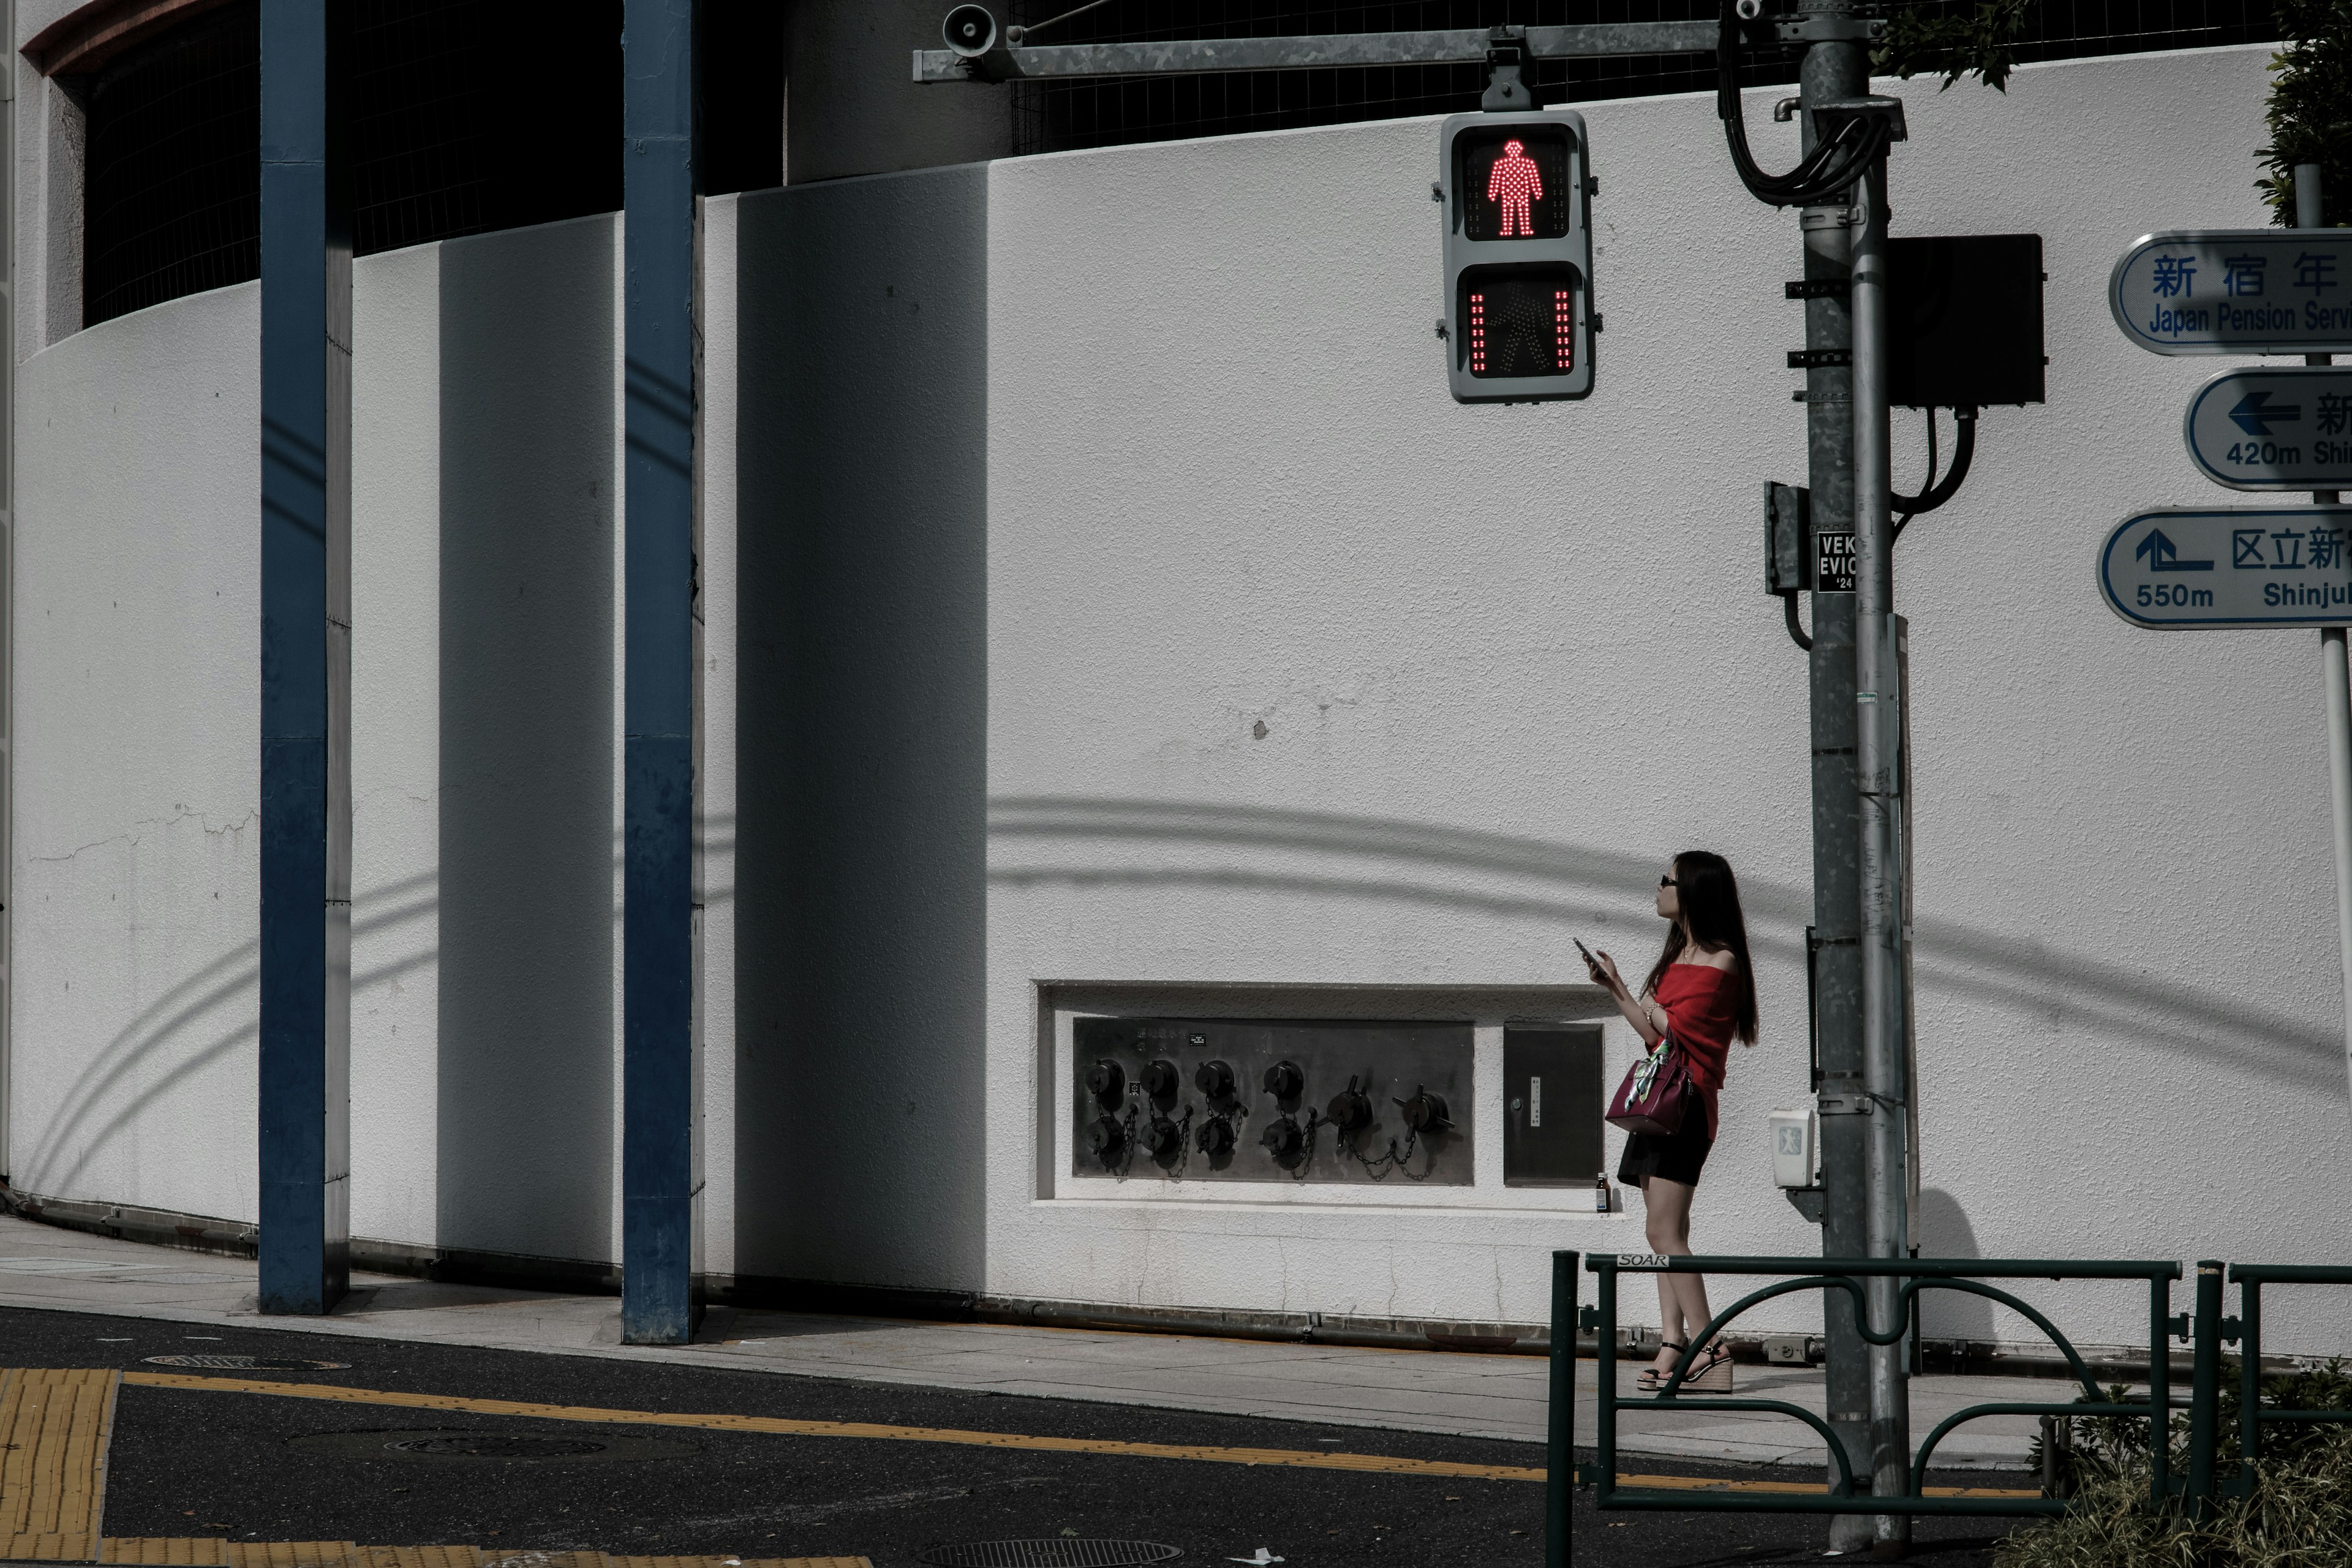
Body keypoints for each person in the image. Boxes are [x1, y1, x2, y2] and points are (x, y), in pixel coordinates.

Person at [1581, 850, 1758, 1392]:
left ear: (1695, 894)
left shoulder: (1722, 959)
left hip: (1686, 1107)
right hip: (1658, 1103)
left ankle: (1710, 1347)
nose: (1658, 888)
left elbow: (1679, 1033)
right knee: (1666, 1231)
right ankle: (1673, 1342)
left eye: (1668, 882)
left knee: (1663, 1230)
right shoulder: (1677, 955)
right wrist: (1614, 986)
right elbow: (1654, 1032)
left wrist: (1655, 1003)